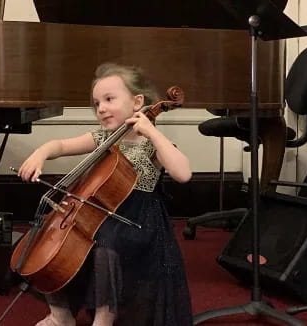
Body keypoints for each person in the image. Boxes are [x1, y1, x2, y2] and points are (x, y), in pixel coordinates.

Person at [18, 62, 193, 326]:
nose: (101, 108)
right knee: (42, 238)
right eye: (96, 103)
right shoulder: (103, 137)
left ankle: (104, 318)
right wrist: (40, 153)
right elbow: (60, 145)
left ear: (137, 102)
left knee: (106, 246)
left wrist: (153, 133)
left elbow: (183, 173)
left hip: (138, 221)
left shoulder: (150, 144)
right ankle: (60, 315)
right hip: (98, 214)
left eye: (109, 99)